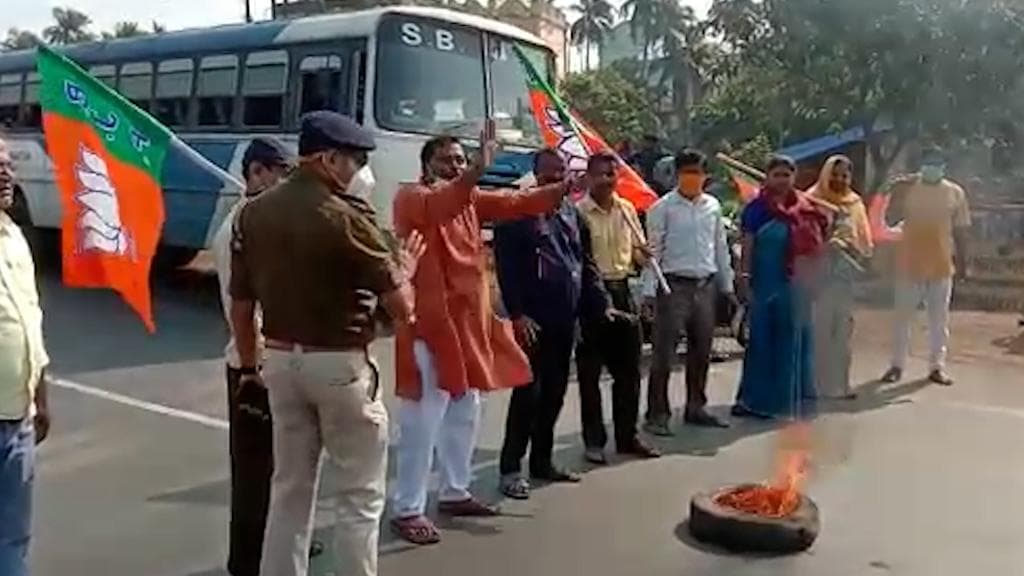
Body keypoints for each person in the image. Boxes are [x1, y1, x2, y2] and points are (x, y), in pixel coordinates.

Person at [229, 111, 424, 576]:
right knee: (359, 496)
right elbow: (401, 308)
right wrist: (407, 272)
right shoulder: (347, 216)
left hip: (278, 360)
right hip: (340, 366)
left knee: (290, 490)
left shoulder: (252, 213)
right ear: (328, 158)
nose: (359, 172)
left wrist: (251, 369)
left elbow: (241, 307)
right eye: (354, 161)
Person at [389, 123, 569, 545]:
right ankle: (407, 508)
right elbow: (443, 204)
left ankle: (454, 491)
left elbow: (516, 203)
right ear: (426, 166)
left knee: (465, 413)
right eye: (445, 160)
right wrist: (474, 172)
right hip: (429, 329)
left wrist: (562, 187)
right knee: (422, 423)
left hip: (468, 329)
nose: (454, 167)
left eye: (459, 160)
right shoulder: (413, 197)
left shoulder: (468, 199)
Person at [494, 148, 623, 500]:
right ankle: (510, 468)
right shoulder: (517, 212)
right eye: (549, 172)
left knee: (554, 393)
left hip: (567, 319)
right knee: (528, 395)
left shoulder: (571, 214)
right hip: (533, 320)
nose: (555, 177)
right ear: (536, 175)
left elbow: (586, 264)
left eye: (560, 171)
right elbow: (506, 270)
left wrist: (600, 305)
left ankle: (542, 461)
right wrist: (517, 314)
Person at [211, 137, 292, 576]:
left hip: (273, 361)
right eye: (280, 172)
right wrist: (252, 367)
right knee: (254, 476)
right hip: (253, 365)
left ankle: (277, 545)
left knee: (280, 468)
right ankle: (246, 562)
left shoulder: (261, 221)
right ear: (257, 172)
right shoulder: (242, 228)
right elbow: (244, 309)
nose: (285, 182)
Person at [643, 149, 736, 434]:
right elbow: (653, 252)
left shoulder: (713, 206)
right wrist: (648, 293)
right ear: (677, 175)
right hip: (673, 286)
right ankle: (657, 414)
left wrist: (727, 285)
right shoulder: (662, 208)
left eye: (698, 172)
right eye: (688, 172)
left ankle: (696, 406)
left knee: (702, 351)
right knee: (664, 354)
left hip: (704, 285)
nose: (693, 178)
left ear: (705, 175)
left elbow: (720, 247)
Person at [575, 153, 660, 464]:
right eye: (600, 174)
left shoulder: (626, 209)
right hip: (591, 294)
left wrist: (645, 254)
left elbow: (636, 257)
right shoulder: (579, 213)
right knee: (590, 374)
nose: (607, 180)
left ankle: (628, 437)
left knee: (629, 372)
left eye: (612, 174)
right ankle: (594, 441)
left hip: (624, 290)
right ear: (587, 177)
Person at [733, 155, 828, 420]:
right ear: (767, 177)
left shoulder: (806, 207)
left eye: (787, 174)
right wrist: (744, 277)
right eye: (777, 174)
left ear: (794, 177)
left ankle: (792, 399)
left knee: (795, 339)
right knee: (762, 341)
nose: (782, 180)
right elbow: (748, 244)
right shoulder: (757, 209)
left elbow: (816, 244)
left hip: (797, 284)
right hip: (765, 282)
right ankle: (756, 401)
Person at [0, 136, 51, 576]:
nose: (5, 173)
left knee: (14, 534)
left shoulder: (15, 236)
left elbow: (30, 318)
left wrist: (42, 398)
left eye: (8, 164)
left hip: (19, 417)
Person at [881, 147, 970, 386]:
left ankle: (936, 367)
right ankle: (897, 365)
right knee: (902, 319)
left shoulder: (955, 192)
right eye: (928, 161)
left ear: (944, 165)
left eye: (937, 162)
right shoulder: (907, 187)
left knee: (939, 321)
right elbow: (888, 218)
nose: (933, 166)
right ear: (921, 164)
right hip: (909, 262)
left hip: (941, 264)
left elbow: (961, 230)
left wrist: (963, 261)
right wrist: (894, 189)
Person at [807, 155, 873, 400]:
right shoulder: (811, 198)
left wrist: (849, 247)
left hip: (845, 276)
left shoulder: (854, 203)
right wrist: (825, 243)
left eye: (844, 175)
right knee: (819, 331)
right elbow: (803, 235)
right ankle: (814, 385)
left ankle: (841, 385)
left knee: (843, 333)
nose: (839, 179)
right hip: (818, 275)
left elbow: (863, 239)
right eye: (834, 174)